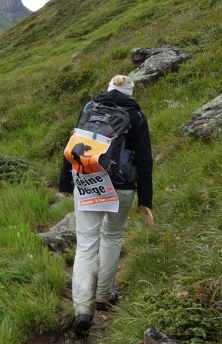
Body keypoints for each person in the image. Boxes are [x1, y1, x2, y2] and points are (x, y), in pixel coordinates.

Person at [59, 75, 155, 337]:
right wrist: (146, 201)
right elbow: (145, 160)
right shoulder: (136, 116)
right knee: (112, 237)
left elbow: (75, 145)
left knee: (86, 244)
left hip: (89, 182)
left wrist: (66, 183)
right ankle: (104, 295)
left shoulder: (90, 108)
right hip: (121, 186)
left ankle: (82, 309)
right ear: (130, 92)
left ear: (109, 89)